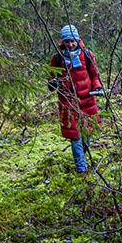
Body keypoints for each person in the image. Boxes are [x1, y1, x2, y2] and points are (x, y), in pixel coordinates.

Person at [49, 24, 104, 173]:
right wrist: (53, 84)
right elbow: (52, 78)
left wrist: (98, 87)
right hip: (68, 102)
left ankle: (83, 156)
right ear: (63, 42)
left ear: (78, 39)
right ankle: (82, 168)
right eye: (67, 42)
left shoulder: (87, 54)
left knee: (87, 133)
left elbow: (94, 75)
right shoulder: (57, 58)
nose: (71, 45)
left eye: (73, 41)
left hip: (87, 99)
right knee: (75, 136)